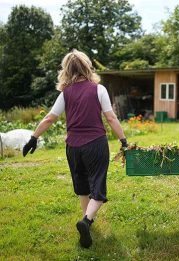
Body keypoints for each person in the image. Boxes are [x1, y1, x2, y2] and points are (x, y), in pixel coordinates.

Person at [22, 49, 128, 248]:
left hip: (73, 147)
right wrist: (123, 140)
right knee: (98, 185)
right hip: (95, 144)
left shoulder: (66, 93)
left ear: (67, 71)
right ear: (87, 67)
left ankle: (86, 222)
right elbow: (111, 118)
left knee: (81, 185)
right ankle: (86, 221)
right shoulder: (98, 89)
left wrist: (33, 138)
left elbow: (50, 118)